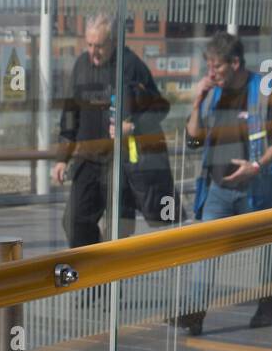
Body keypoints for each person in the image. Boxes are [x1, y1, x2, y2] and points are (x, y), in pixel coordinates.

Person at [176, 31, 272, 335]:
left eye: (217, 67)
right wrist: (196, 102)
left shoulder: (266, 90)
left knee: (265, 250)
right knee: (206, 249)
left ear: (236, 63)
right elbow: (193, 140)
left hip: (255, 188)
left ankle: (267, 305)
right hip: (217, 188)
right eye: (209, 66)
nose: (211, 73)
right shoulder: (212, 92)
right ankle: (195, 313)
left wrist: (255, 167)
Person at [51, 12, 179, 247]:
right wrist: (62, 158)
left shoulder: (131, 65)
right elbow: (70, 114)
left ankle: (110, 281)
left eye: (99, 46)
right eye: (89, 45)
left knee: (117, 233)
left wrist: (133, 125)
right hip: (88, 159)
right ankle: (93, 278)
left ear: (114, 42)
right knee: (74, 223)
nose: (93, 52)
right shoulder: (81, 65)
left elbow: (161, 107)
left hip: (121, 163)